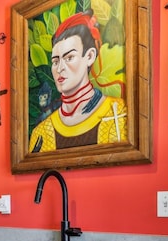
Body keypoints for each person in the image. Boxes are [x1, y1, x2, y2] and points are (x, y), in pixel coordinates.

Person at [29, 10, 128, 153]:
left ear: (89, 56)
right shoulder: (41, 133)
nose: (60, 68)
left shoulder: (119, 112)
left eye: (69, 58)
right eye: (55, 61)